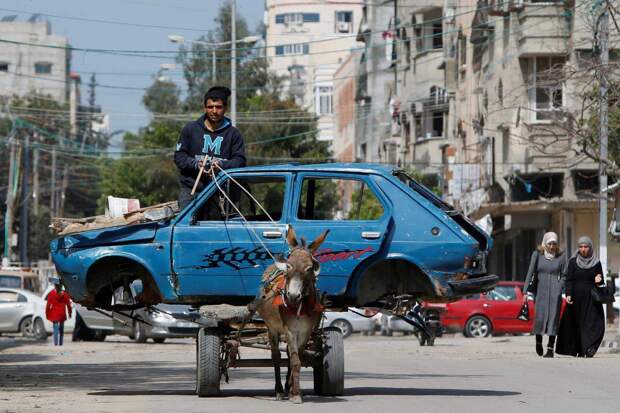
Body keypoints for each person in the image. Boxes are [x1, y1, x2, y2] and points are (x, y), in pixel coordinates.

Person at [174, 86, 247, 209]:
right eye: (210, 107)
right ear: (204, 108)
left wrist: (221, 166)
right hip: (192, 192)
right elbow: (179, 157)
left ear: (225, 108)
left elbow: (240, 161)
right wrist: (196, 164)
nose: (214, 111)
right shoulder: (190, 129)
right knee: (186, 227)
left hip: (222, 193)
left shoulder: (233, 134)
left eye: (218, 107)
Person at [556, 236, 605, 357]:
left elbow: (600, 280)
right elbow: (569, 279)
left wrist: (598, 280)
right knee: (575, 324)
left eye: (586, 247)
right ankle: (575, 349)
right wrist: (568, 294)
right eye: (581, 246)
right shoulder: (573, 262)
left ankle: (589, 348)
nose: (583, 249)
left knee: (593, 324)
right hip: (576, 299)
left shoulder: (596, 263)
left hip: (591, 299)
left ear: (590, 248)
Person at [523, 232, 567, 358]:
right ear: (544, 243)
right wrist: (525, 291)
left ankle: (550, 349)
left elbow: (565, 274)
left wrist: (560, 287)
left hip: (555, 291)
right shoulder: (537, 255)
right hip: (540, 290)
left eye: (554, 244)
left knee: (553, 318)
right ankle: (538, 341)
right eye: (549, 244)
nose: (552, 247)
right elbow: (530, 273)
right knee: (540, 317)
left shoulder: (561, 257)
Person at [45, 280, 72, 346]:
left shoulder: (51, 294)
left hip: (54, 314)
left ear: (55, 286)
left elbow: (48, 305)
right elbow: (68, 305)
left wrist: (47, 313)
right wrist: (69, 313)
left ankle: (55, 343)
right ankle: (61, 342)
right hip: (62, 314)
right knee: (61, 329)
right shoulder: (65, 294)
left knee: (55, 328)